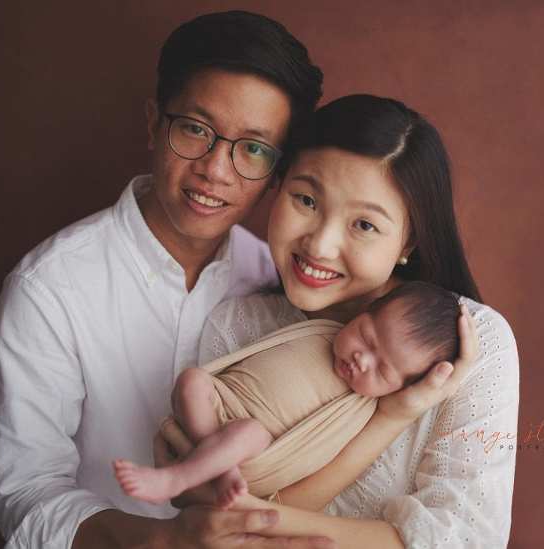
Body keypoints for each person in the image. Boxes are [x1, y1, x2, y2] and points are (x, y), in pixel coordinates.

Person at [0, 11, 335, 549]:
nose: (216, 170)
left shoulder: (282, 281)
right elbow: (26, 494)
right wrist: (165, 541)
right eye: (196, 130)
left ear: (277, 171)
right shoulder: (49, 286)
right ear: (154, 122)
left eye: (253, 149)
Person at [162, 94, 519, 548]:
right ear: (279, 185)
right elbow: (219, 514)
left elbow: (466, 538)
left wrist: (395, 416)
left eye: (364, 225)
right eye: (306, 199)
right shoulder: (237, 325)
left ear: (410, 240)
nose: (321, 245)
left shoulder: (469, 343)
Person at [114, 281, 461, 509]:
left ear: (401, 387)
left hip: (257, 443)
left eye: (382, 370)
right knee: (191, 381)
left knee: (247, 433)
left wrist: (408, 404)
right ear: (363, 313)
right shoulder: (321, 332)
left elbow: (314, 453)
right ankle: (216, 463)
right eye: (366, 336)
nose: (361, 359)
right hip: (220, 402)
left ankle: (176, 478)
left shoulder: (357, 409)